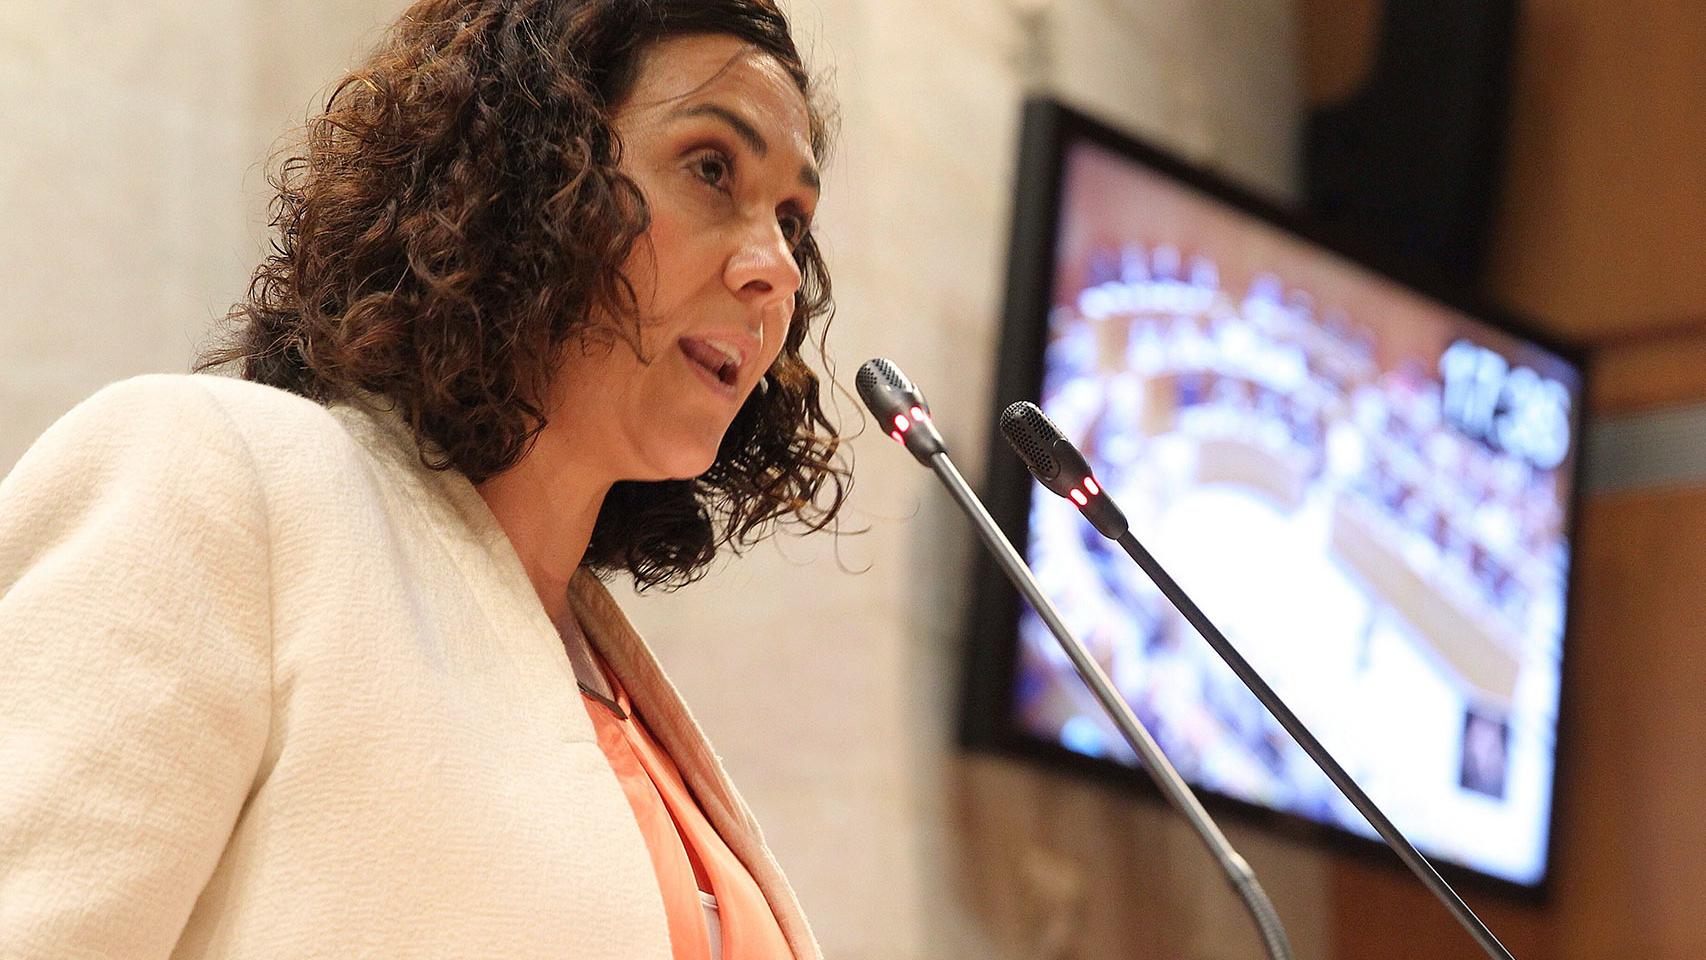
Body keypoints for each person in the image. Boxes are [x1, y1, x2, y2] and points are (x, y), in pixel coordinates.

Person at [0, 2, 847, 958]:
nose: (777, 267)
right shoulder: (222, 479)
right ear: (533, 175)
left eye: (793, 220)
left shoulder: (602, 674)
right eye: (710, 169)